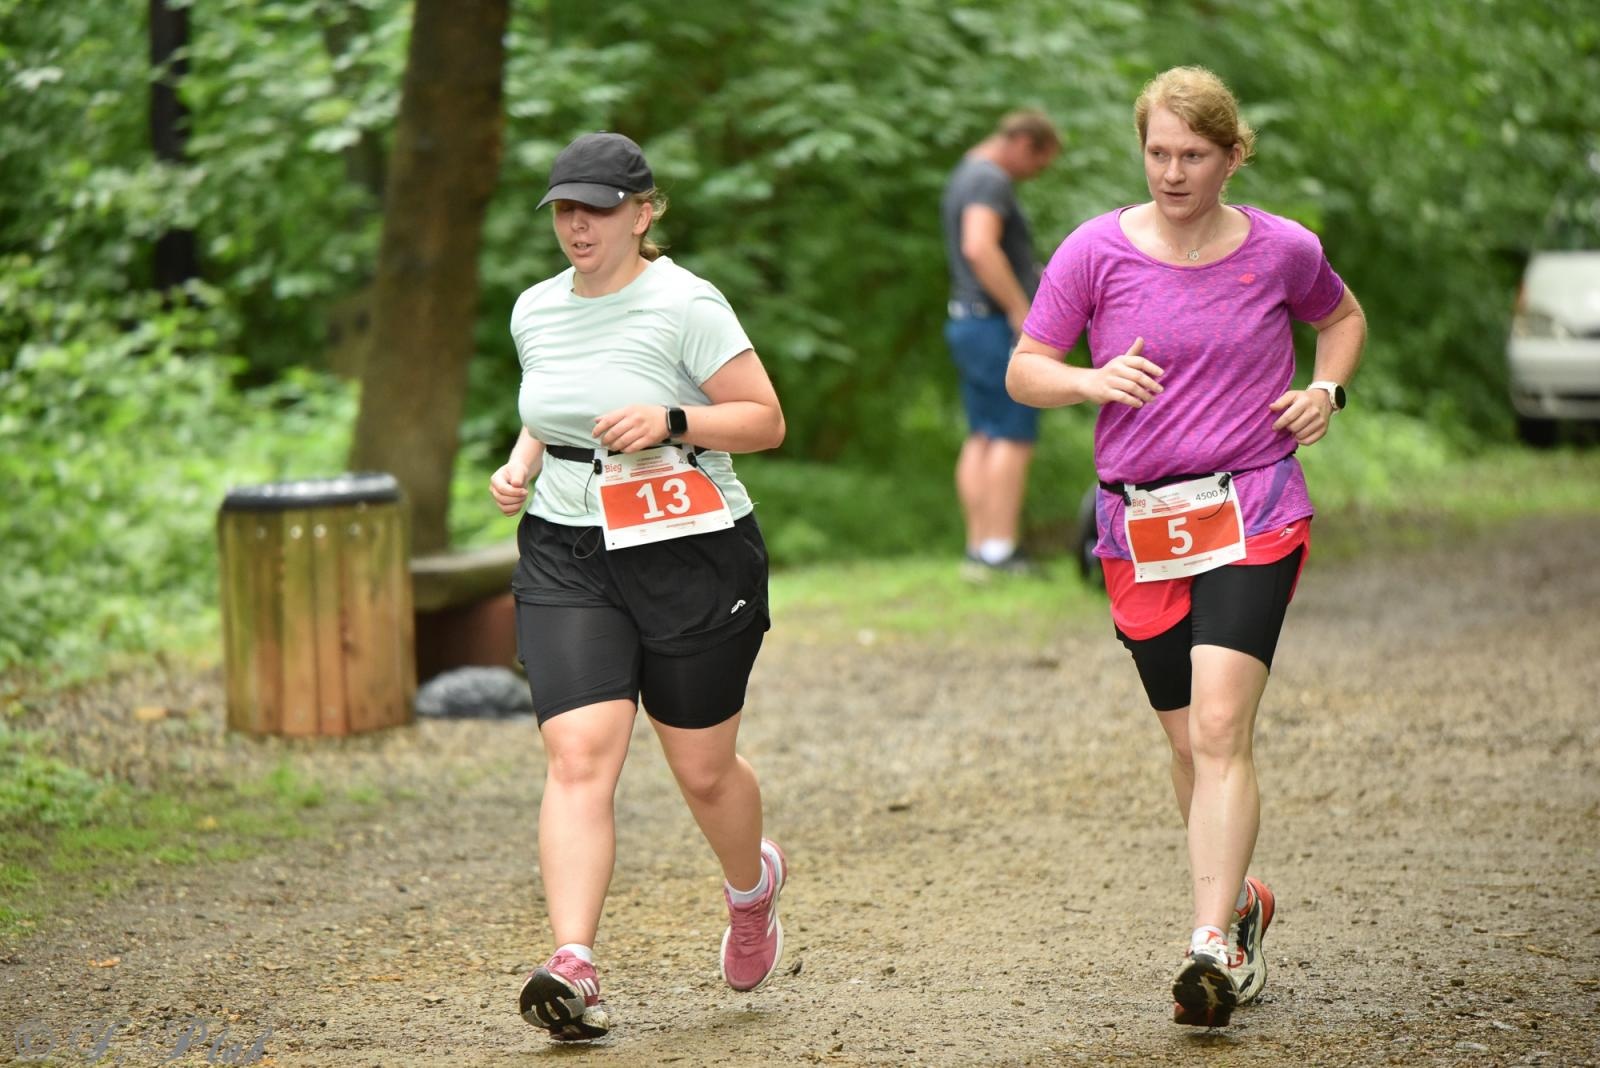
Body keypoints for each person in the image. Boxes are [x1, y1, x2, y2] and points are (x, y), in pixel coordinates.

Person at [1006, 67, 1366, 1027]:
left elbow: (1342, 319)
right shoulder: (1094, 251)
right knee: (1186, 742)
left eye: (1193, 155)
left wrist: (1326, 392)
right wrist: (1089, 383)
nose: (1172, 172)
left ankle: (1210, 941)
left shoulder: (1283, 249)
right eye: (1158, 152)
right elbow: (1025, 369)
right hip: (1141, 526)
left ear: (1231, 154)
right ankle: (1242, 900)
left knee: (1217, 729)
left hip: (1256, 508)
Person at [488, 131, 790, 1042]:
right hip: (567, 549)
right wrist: (519, 460)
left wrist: (672, 417)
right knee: (579, 757)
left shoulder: (686, 302)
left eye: (599, 208)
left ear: (644, 212)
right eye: (565, 210)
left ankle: (752, 888)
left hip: (687, 547)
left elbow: (767, 420)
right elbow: (552, 400)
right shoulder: (535, 309)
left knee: (701, 771)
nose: (579, 225)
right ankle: (573, 964)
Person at [941, 108, 1061, 578]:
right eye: (1040, 162)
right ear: (1025, 143)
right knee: (1012, 434)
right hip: (993, 325)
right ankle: (999, 550)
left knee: (983, 433)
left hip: (967, 321)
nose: (1036, 173)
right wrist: (1020, 309)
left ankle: (980, 550)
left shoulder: (965, 172)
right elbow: (978, 246)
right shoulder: (991, 180)